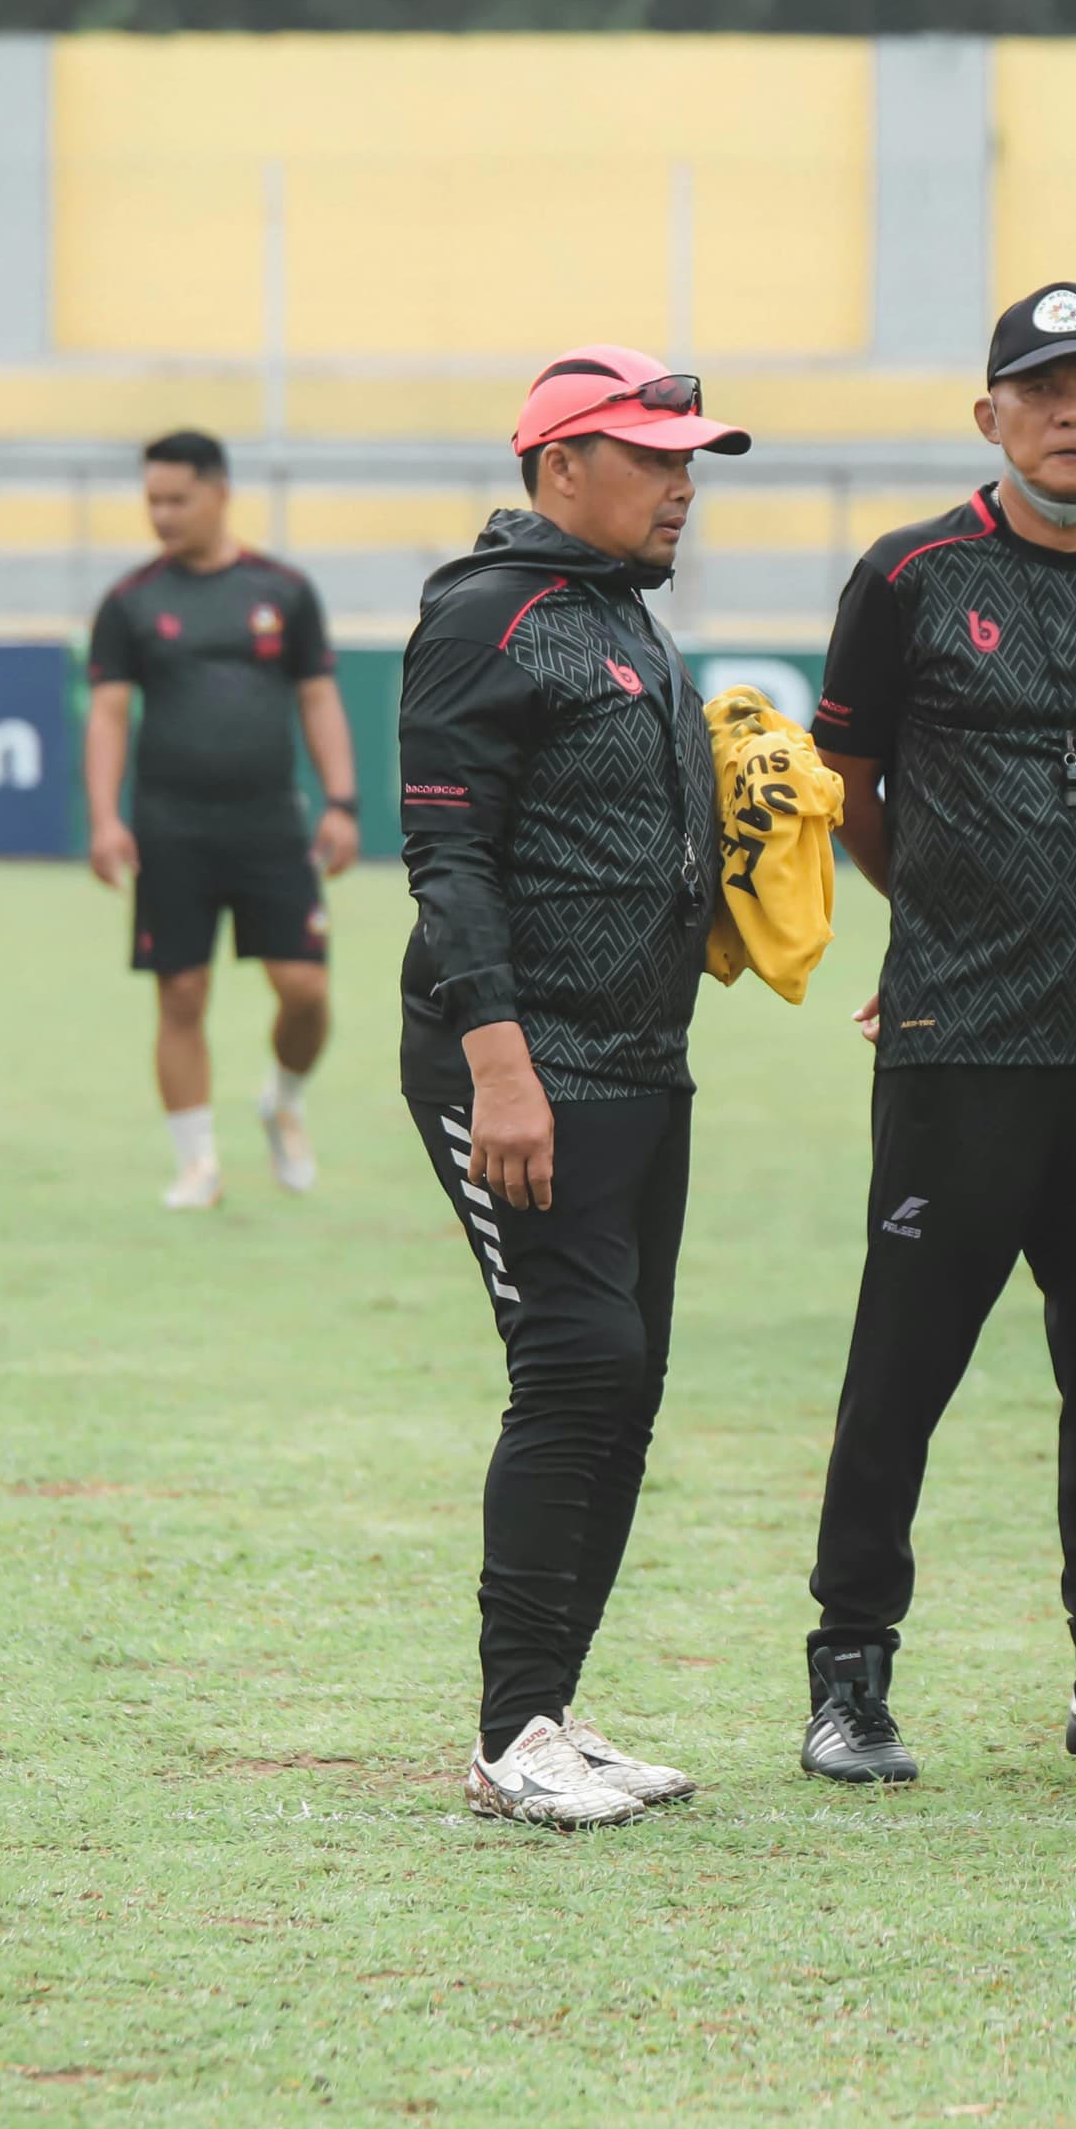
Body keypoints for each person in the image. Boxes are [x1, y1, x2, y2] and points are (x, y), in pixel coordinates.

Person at [795, 281, 1076, 1785]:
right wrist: (925, 920)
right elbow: (844, 779)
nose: (1070, 411)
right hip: (958, 1039)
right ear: (988, 417)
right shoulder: (907, 576)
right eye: (1040, 388)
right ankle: (849, 1678)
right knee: (901, 1375)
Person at [395, 345, 752, 1827]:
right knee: (578, 1366)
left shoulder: (622, 618)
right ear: (559, 469)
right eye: (651, 458)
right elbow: (447, 857)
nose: (681, 486)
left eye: (690, 461)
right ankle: (507, 1736)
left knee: (628, 1385)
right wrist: (500, 1068)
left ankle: (548, 1713)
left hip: (640, 1063)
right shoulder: (488, 615)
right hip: (522, 1060)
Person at [84, 431, 360, 1209]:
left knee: (305, 988)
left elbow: (318, 698)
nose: (162, 515)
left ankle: (282, 1100)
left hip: (270, 824)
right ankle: (197, 1163)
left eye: (177, 499)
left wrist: (342, 801)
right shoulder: (130, 602)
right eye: (152, 501)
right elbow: (107, 718)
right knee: (180, 994)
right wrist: (106, 818)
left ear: (219, 493)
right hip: (170, 826)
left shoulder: (285, 592)